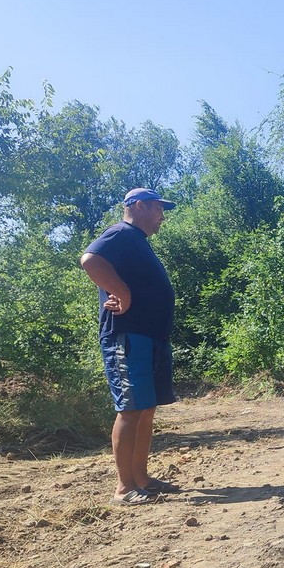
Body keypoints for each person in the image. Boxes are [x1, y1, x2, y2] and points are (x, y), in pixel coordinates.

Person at [81, 188, 184, 505]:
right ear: (139, 207)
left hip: (149, 336)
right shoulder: (121, 233)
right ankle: (125, 488)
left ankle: (141, 478)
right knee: (131, 409)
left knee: (146, 409)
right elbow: (90, 260)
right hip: (127, 335)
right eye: (158, 209)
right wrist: (121, 293)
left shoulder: (137, 242)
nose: (162, 216)